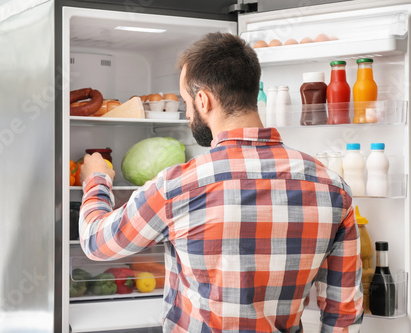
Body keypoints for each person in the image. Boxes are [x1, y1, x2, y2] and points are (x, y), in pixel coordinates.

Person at [79, 32, 363, 332]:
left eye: (187, 102)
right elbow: (343, 311)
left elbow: (97, 243)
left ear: (203, 100)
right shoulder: (332, 188)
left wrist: (97, 178)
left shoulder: (178, 186)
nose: (188, 113)